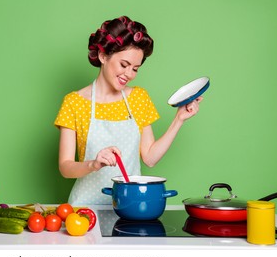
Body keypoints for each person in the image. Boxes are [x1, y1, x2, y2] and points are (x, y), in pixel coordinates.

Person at [54, 16, 203, 205]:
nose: (129, 74)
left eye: (135, 69)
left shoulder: (138, 98)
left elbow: (149, 158)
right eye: (124, 65)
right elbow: (65, 167)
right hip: (84, 208)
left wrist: (179, 119)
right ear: (103, 56)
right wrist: (93, 164)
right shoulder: (74, 102)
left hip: (129, 206)